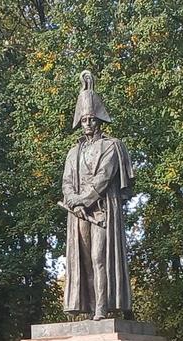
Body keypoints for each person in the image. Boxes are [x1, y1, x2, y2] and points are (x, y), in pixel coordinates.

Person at [61, 70, 134, 320]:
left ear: (99, 120)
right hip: (79, 214)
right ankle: (91, 307)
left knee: (99, 257)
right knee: (84, 261)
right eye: (84, 120)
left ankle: (102, 308)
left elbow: (104, 177)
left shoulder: (111, 146)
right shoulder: (73, 152)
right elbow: (67, 182)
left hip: (102, 210)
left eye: (92, 119)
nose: (88, 124)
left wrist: (84, 200)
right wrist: (73, 200)